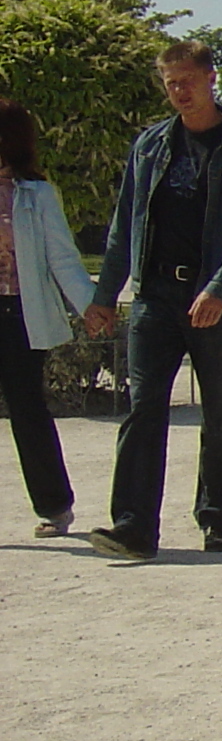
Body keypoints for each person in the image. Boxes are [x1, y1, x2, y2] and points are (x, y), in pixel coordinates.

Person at [80, 40, 222, 560]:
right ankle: (133, 527)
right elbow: (125, 228)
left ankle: (215, 518)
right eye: (170, 82)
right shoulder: (148, 147)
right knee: (143, 410)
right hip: (156, 298)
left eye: (187, 79)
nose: (179, 91)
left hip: (216, 300)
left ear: (211, 77)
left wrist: (220, 288)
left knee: (219, 416)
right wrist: (104, 296)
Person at [0, 98, 97, 539]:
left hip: (19, 312)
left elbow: (62, 258)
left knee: (26, 408)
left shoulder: (34, 194)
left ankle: (55, 506)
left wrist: (91, 306)